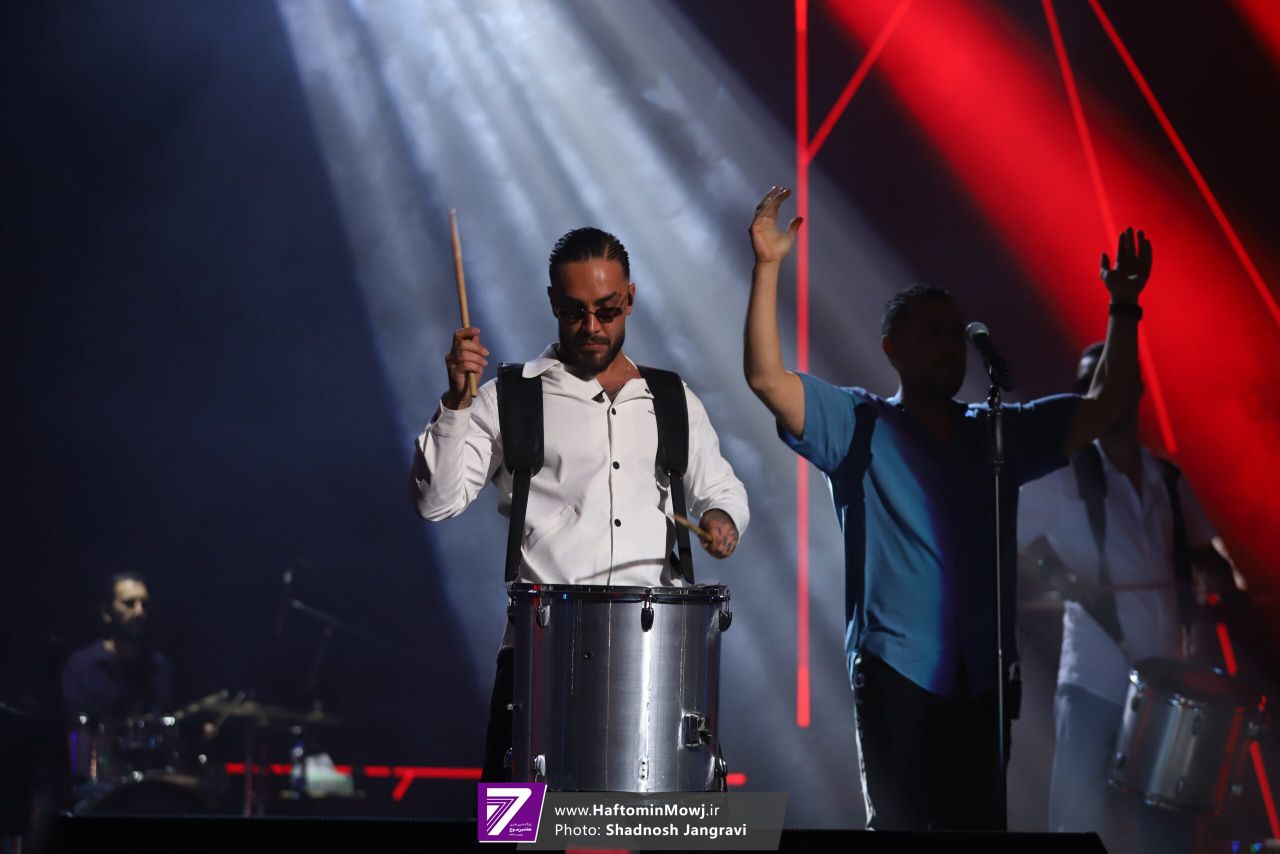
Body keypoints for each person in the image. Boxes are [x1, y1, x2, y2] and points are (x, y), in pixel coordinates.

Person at [743, 185, 1150, 830]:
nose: (951, 346)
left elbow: (1108, 403)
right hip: (895, 673)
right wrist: (768, 268)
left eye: (957, 336)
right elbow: (768, 379)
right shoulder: (858, 422)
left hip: (982, 678)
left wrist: (1123, 308)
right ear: (892, 349)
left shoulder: (996, 432)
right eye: (933, 333)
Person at [410, 226, 750, 780]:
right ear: (552, 302)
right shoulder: (510, 397)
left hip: (654, 660)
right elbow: (435, 503)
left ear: (630, 299)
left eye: (607, 309)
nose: (591, 326)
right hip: (538, 661)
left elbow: (723, 490)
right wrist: (455, 402)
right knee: (514, 825)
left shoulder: (670, 398)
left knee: (656, 825)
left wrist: (720, 519)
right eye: (574, 311)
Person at [1018, 343, 1239, 854]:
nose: (1101, 393)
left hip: (1167, 693)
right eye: (1090, 385)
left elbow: (1208, 554)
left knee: (1172, 836)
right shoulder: (1064, 472)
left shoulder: (1166, 477)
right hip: (1093, 684)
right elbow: (1004, 525)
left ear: (1135, 389)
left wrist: (1226, 583)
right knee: (1077, 829)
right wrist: (1052, 569)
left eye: (1109, 380)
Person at [62, 572, 172, 719]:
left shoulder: (158, 667)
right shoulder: (82, 666)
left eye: (145, 605)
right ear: (106, 613)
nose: (139, 612)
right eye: (129, 603)